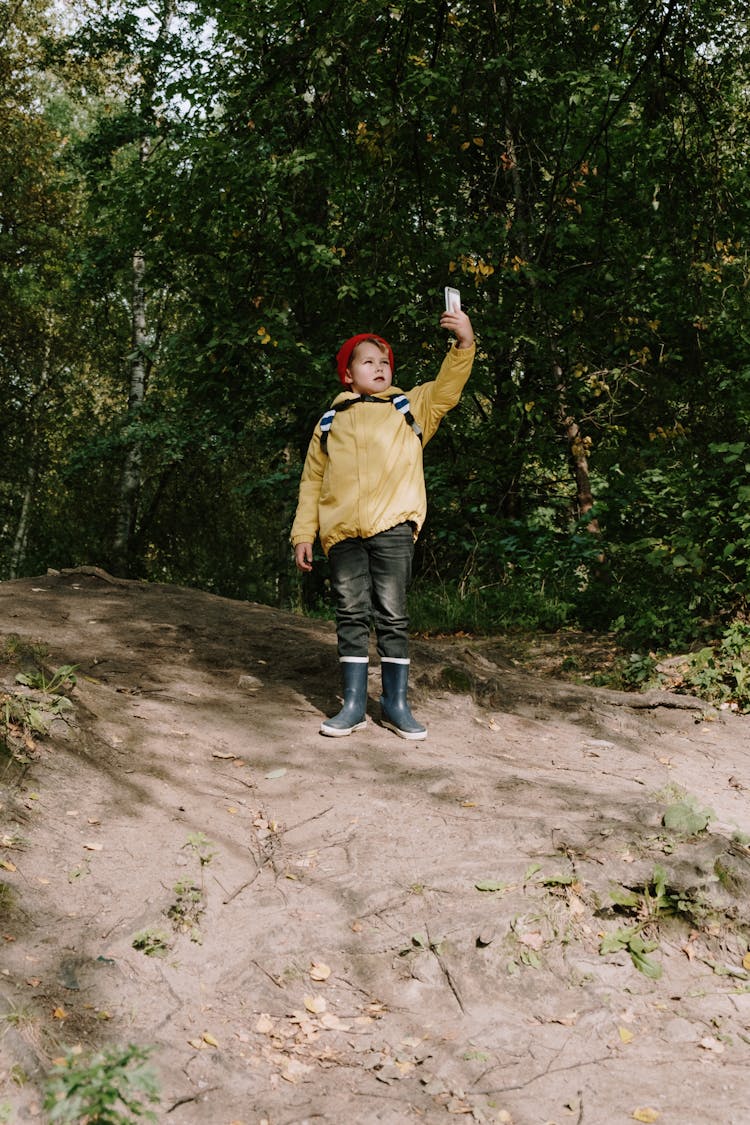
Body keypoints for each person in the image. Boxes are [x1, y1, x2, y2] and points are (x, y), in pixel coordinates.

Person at [291, 305, 475, 740]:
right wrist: (304, 533)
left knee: (392, 615)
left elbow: (448, 388)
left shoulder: (411, 408)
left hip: (393, 527)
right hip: (342, 534)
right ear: (348, 375)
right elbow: (312, 481)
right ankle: (353, 705)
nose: (379, 367)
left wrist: (464, 342)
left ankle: (395, 704)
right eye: (368, 361)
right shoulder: (330, 421)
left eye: (385, 361)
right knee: (351, 615)